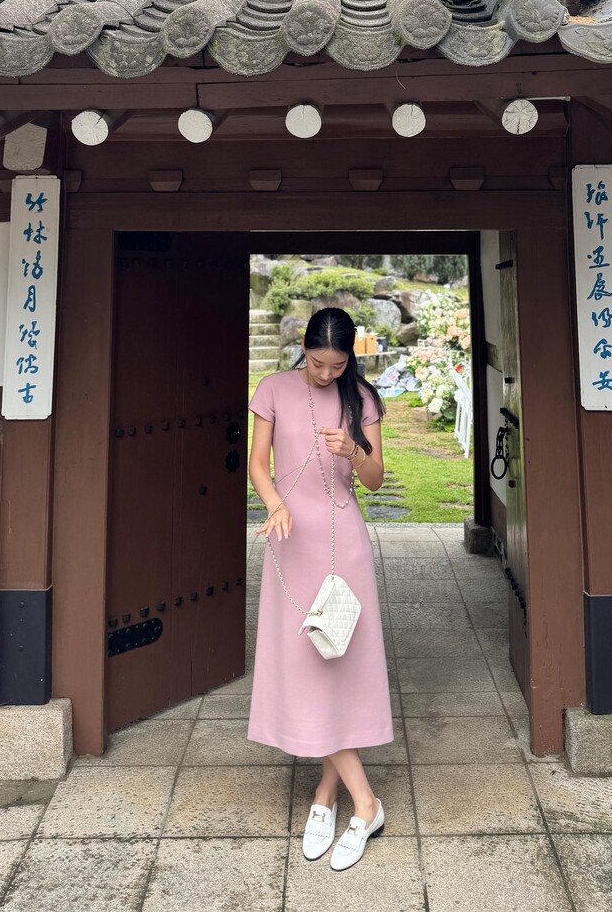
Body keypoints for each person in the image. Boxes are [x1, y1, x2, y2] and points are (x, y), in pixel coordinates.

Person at [247, 306, 391, 872]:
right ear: (302, 350)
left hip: (343, 546)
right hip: (291, 542)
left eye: (337, 366)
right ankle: (355, 800)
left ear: (349, 358)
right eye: (316, 363)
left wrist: (353, 451)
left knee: (338, 666)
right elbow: (259, 465)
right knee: (306, 666)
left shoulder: (363, 399)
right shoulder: (273, 389)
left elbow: (375, 480)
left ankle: (332, 797)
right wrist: (275, 505)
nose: (326, 374)